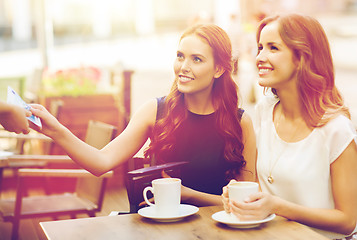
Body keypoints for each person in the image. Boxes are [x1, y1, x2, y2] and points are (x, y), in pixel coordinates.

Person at [30, 24, 257, 206]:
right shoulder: (155, 111)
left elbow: (246, 203)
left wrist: (187, 194)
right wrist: (56, 131)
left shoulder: (240, 122)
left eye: (196, 59)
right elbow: (101, 162)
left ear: (218, 69)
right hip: (163, 230)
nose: (183, 66)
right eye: (180, 56)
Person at [222, 14, 357, 239]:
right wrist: (241, 199)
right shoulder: (264, 111)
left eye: (273, 48)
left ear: (302, 57)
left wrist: (277, 206)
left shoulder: (337, 129)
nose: (260, 57)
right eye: (260, 47)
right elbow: (259, 185)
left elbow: (347, 220)